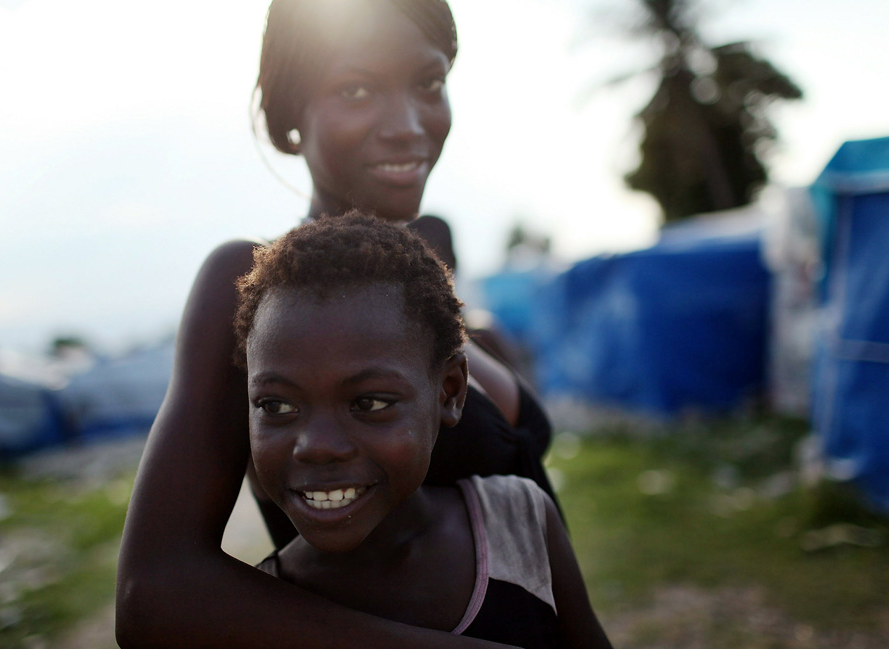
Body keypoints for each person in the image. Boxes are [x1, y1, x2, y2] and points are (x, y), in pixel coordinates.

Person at [116, 1, 562, 647]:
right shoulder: (255, 292)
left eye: (428, 84)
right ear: (290, 116)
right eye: (356, 89)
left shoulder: (429, 304)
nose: (408, 125)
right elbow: (152, 594)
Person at [238, 213, 611, 648]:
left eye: (369, 403)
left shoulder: (520, 522)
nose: (317, 447)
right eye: (277, 405)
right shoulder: (258, 611)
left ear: (449, 392)